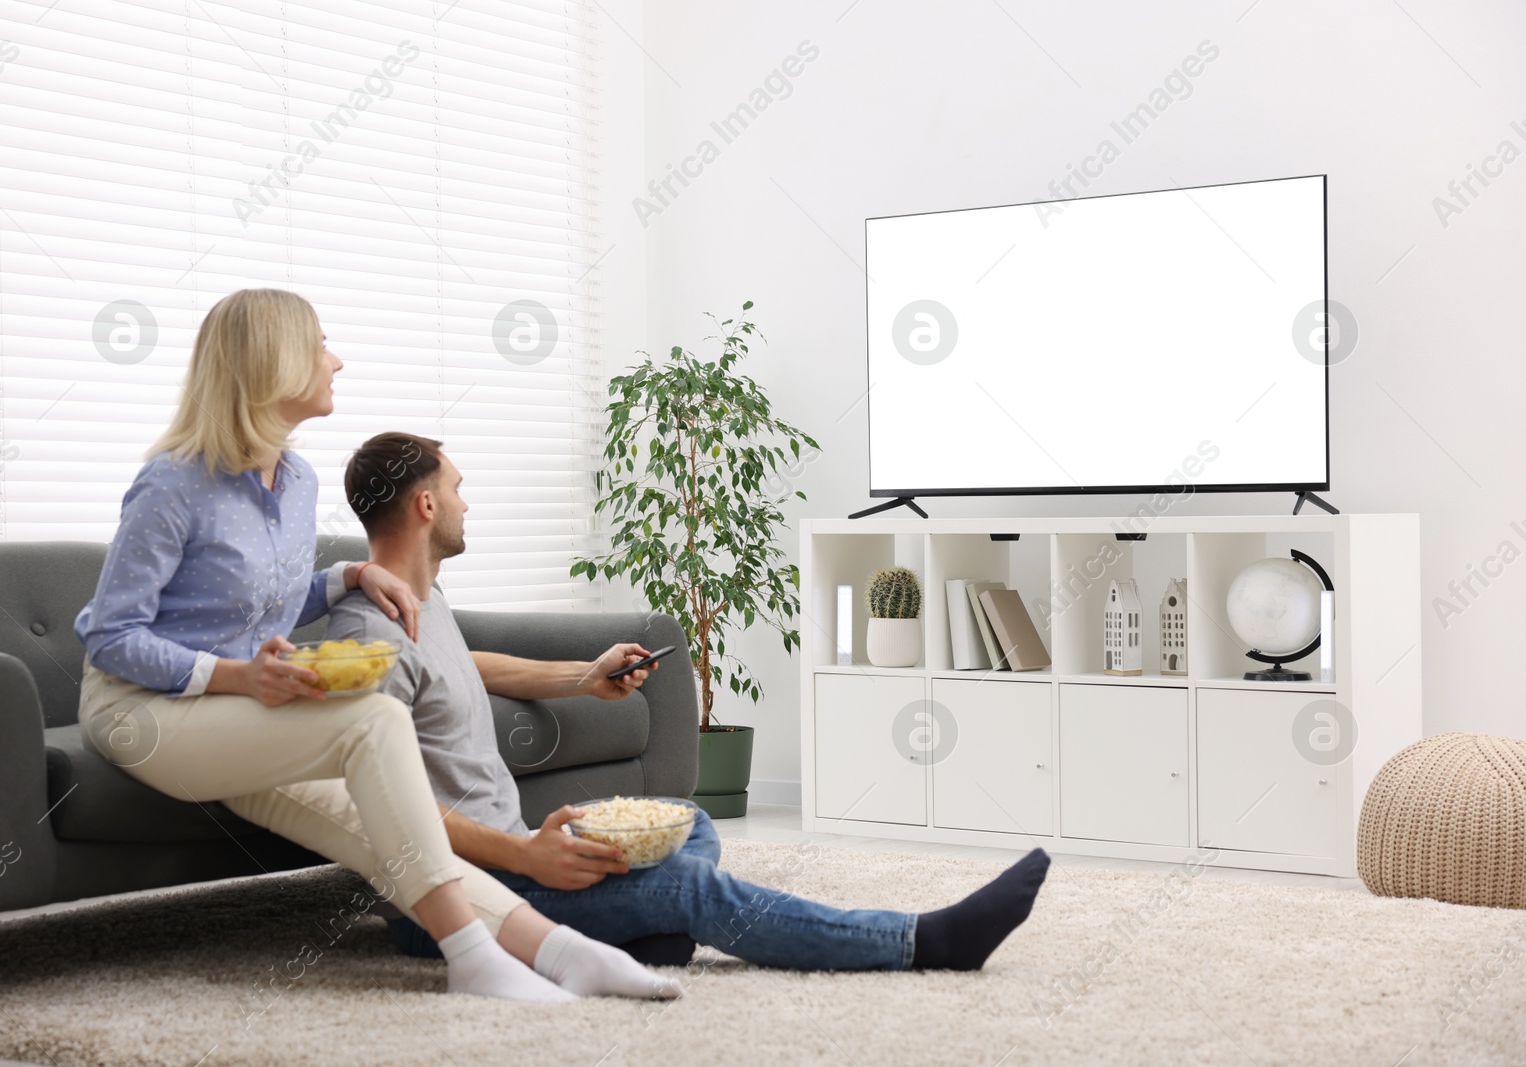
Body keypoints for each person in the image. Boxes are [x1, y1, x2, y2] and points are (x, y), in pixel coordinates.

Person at [74, 289, 679, 1002]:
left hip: (227, 721)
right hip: (140, 712)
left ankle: (563, 951)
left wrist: (348, 574)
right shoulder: (173, 484)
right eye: (320, 345)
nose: (337, 360)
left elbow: (253, 603)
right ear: (273, 362)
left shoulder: (295, 481)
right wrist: (239, 677)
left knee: (375, 819)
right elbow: (110, 636)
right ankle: (473, 960)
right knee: (376, 717)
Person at [325, 430, 1052, 975]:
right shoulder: (367, 631)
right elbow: (388, 804)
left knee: (688, 820)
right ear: (425, 504)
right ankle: (923, 940)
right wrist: (526, 853)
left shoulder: (422, 600)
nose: (465, 500)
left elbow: (469, 666)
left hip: (512, 860)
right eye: (456, 487)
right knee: (685, 885)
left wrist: (586, 674)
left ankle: (647, 935)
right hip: (455, 900)